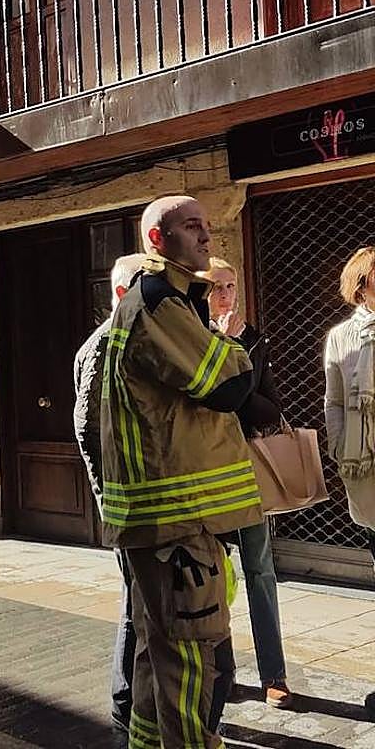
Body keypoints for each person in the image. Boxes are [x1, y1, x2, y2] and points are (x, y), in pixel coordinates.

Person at [101, 196, 262, 749]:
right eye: (191, 227)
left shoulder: (166, 299)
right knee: (192, 662)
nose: (206, 237)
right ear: (156, 239)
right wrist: (237, 347)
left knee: (159, 658)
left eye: (207, 227)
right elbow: (228, 386)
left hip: (165, 525)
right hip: (175, 527)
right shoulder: (157, 299)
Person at [200, 257, 293, 709]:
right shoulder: (191, 343)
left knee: (260, 572)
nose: (226, 295)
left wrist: (238, 358)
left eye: (231, 286)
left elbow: (268, 409)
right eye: (217, 287)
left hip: (247, 473)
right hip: (202, 474)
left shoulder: (253, 342)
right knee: (213, 577)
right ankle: (223, 672)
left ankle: (274, 674)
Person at [73, 252, 149, 733]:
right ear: (122, 293)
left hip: (142, 500)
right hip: (128, 504)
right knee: (134, 602)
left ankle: (135, 698)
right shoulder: (105, 345)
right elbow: (88, 429)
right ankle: (125, 700)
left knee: (143, 601)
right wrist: (110, 496)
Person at [323, 247, 375, 567]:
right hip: (363, 457)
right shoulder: (340, 337)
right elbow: (335, 400)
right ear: (360, 285)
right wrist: (340, 446)